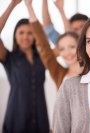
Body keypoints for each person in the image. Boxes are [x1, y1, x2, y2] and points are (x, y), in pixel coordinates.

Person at [0, 0, 49, 132]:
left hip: (41, 119)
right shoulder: (9, 58)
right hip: (16, 119)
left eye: (30, 33)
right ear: (15, 35)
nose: (26, 36)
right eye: (21, 32)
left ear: (35, 36)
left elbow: (52, 38)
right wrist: (12, 4)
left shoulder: (43, 58)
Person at [25, 0, 83, 88]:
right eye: (62, 49)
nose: (67, 52)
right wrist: (29, 7)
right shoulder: (58, 73)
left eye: (72, 47)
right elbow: (43, 44)